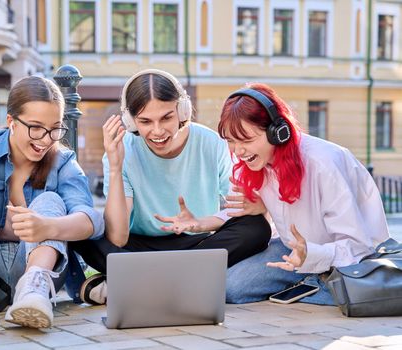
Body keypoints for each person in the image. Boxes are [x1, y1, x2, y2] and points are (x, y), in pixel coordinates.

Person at [70, 69, 272, 305]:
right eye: (145, 121)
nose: (157, 131)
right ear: (131, 121)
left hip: (195, 243)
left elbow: (239, 209)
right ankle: (179, 281)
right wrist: (115, 167)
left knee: (256, 227)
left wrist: (199, 224)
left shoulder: (212, 143)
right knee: (81, 230)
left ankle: (138, 283)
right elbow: (118, 238)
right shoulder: (122, 149)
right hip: (138, 247)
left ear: (182, 111)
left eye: (166, 118)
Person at [0, 76, 104, 331]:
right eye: (36, 127)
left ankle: (32, 295)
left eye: (55, 128)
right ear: (11, 121)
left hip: (39, 274)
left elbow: (92, 221)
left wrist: (48, 227)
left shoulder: (63, 162)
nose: (46, 139)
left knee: (50, 199)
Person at [202, 83, 389, 304]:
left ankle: (318, 282)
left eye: (246, 140)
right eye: (231, 141)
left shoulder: (324, 163)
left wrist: (312, 255)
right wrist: (200, 223)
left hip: (349, 256)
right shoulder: (257, 160)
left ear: (277, 132)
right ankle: (313, 281)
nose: (238, 151)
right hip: (293, 249)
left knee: (343, 295)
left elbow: (359, 245)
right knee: (229, 289)